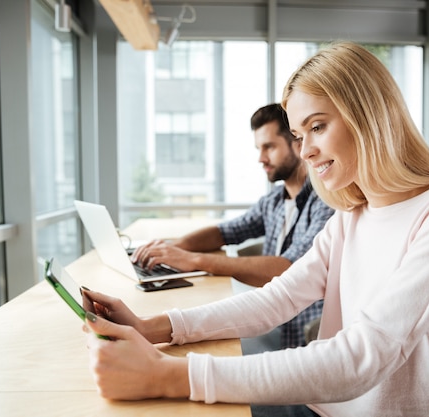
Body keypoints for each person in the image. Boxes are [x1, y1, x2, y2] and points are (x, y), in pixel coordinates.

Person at [82, 42, 429, 416]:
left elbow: (365, 356)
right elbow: (276, 300)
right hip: (326, 406)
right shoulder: (352, 215)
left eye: (318, 126)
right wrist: (151, 326)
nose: (306, 150)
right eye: (299, 135)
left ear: (369, 115)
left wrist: (171, 375)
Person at [130, 103, 334, 350]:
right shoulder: (274, 201)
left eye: (269, 147)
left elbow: (288, 269)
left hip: (301, 335)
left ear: (297, 144)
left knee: (198, 350)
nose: (261, 158)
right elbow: (224, 232)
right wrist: (172, 249)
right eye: (259, 148)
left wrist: (195, 261)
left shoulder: (326, 202)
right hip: (272, 319)